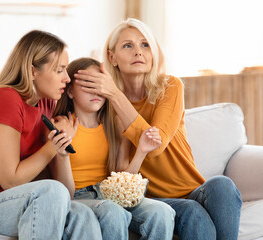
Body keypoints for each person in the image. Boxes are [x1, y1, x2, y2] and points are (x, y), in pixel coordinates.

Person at [73, 18, 242, 240]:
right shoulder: (107, 109)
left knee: (222, 185)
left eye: (145, 45)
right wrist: (114, 96)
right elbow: (139, 157)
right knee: (193, 213)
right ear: (112, 57)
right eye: (128, 45)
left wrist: (115, 94)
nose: (138, 52)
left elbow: (157, 143)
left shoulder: (170, 87)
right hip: (153, 198)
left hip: (193, 190)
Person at [0, 30, 102, 240]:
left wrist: (62, 151)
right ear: (33, 71)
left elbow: (66, 193)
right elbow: (10, 180)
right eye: (60, 70)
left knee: (83, 215)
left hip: (22, 200)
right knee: (50, 192)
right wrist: (50, 147)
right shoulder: (5, 99)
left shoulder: (47, 104)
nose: (67, 77)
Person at [51, 57, 175, 240]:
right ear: (70, 91)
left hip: (109, 194)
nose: (96, 91)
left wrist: (141, 151)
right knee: (112, 211)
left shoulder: (115, 124)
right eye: (88, 85)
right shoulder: (61, 126)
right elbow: (65, 194)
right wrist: (62, 154)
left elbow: (121, 181)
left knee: (163, 211)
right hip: (78, 198)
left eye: (100, 85)